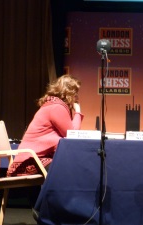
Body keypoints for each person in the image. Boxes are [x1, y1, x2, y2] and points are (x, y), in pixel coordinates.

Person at [6, 74, 84, 216]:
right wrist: (78, 112)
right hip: (30, 160)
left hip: (34, 158)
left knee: (66, 167)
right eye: (76, 93)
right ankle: (47, 209)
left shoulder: (53, 105)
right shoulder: (56, 107)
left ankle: (47, 210)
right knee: (65, 170)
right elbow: (72, 134)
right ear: (69, 93)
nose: (77, 97)